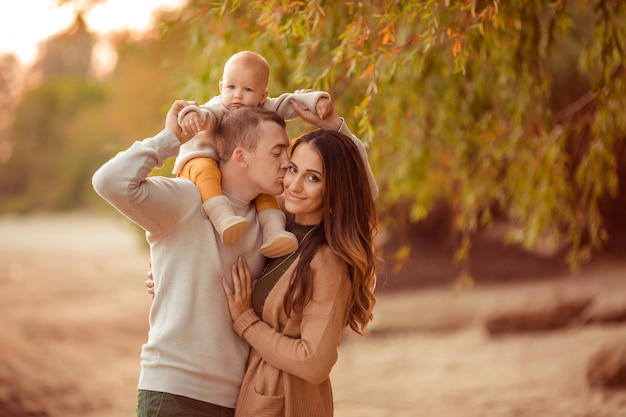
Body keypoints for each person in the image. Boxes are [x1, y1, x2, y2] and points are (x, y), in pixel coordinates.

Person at [94, 98, 371, 417]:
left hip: (240, 397)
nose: (287, 170)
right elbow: (110, 182)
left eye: (307, 173)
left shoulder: (272, 222)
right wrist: (172, 137)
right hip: (177, 391)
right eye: (282, 156)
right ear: (241, 156)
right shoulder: (186, 199)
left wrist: (333, 126)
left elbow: (354, 187)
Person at [221, 127, 378, 417]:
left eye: (313, 178)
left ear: (336, 189)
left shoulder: (329, 260)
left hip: (290, 403)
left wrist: (246, 321)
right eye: (293, 169)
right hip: (259, 392)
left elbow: (314, 362)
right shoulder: (279, 227)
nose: (294, 185)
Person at [175, 50, 334, 257]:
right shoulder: (219, 107)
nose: (238, 95)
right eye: (231, 87)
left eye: (247, 89)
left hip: (235, 169)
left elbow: (291, 102)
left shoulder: (263, 108)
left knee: (265, 189)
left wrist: (317, 101)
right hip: (198, 161)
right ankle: (222, 216)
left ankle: (274, 233)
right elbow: (204, 115)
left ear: (263, 95)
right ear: (221, 87)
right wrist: (190, 114)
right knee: (207, 169)